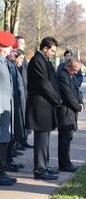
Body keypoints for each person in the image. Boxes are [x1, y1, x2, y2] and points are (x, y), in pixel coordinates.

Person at [25, 36, 61, 180]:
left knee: (45, 139)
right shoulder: (36, 61)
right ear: (44, 48)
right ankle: (39, 170)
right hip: (40, 107)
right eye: (52, 50)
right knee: (41, 140)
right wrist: (57, 99)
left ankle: (44, 166)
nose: (53, 53)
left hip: (46, 106)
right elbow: (44, 84)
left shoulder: (44, 60)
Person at [57, 59, 84, 172]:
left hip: (71, 111)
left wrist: (81, 103)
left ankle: (66, 163)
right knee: (65, 139)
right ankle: (65, 164)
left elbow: (77, 91)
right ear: (69, 66)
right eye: (75, 70)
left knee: (68, 138)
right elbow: (68, 95)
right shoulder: (63, 76)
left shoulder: (70, 75)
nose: (76, 73)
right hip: (65, 111)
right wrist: (78, 107)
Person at [0, 31, 17, 185]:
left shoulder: (4, 62)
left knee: (4, 139)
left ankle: (2, 171)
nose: (11, 48)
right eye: (9, 45)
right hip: (0, 108)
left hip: (5, 107)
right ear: (2, 46)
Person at [15, 36, 33, 149]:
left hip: (26, 90)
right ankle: (18, 142)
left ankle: (24, 140)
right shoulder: (15, 56)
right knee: (20, 118)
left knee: (26, 116)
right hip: (20, 91)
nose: (23, 45)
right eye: (20, 43)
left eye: (23, 43)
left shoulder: (24, 56)